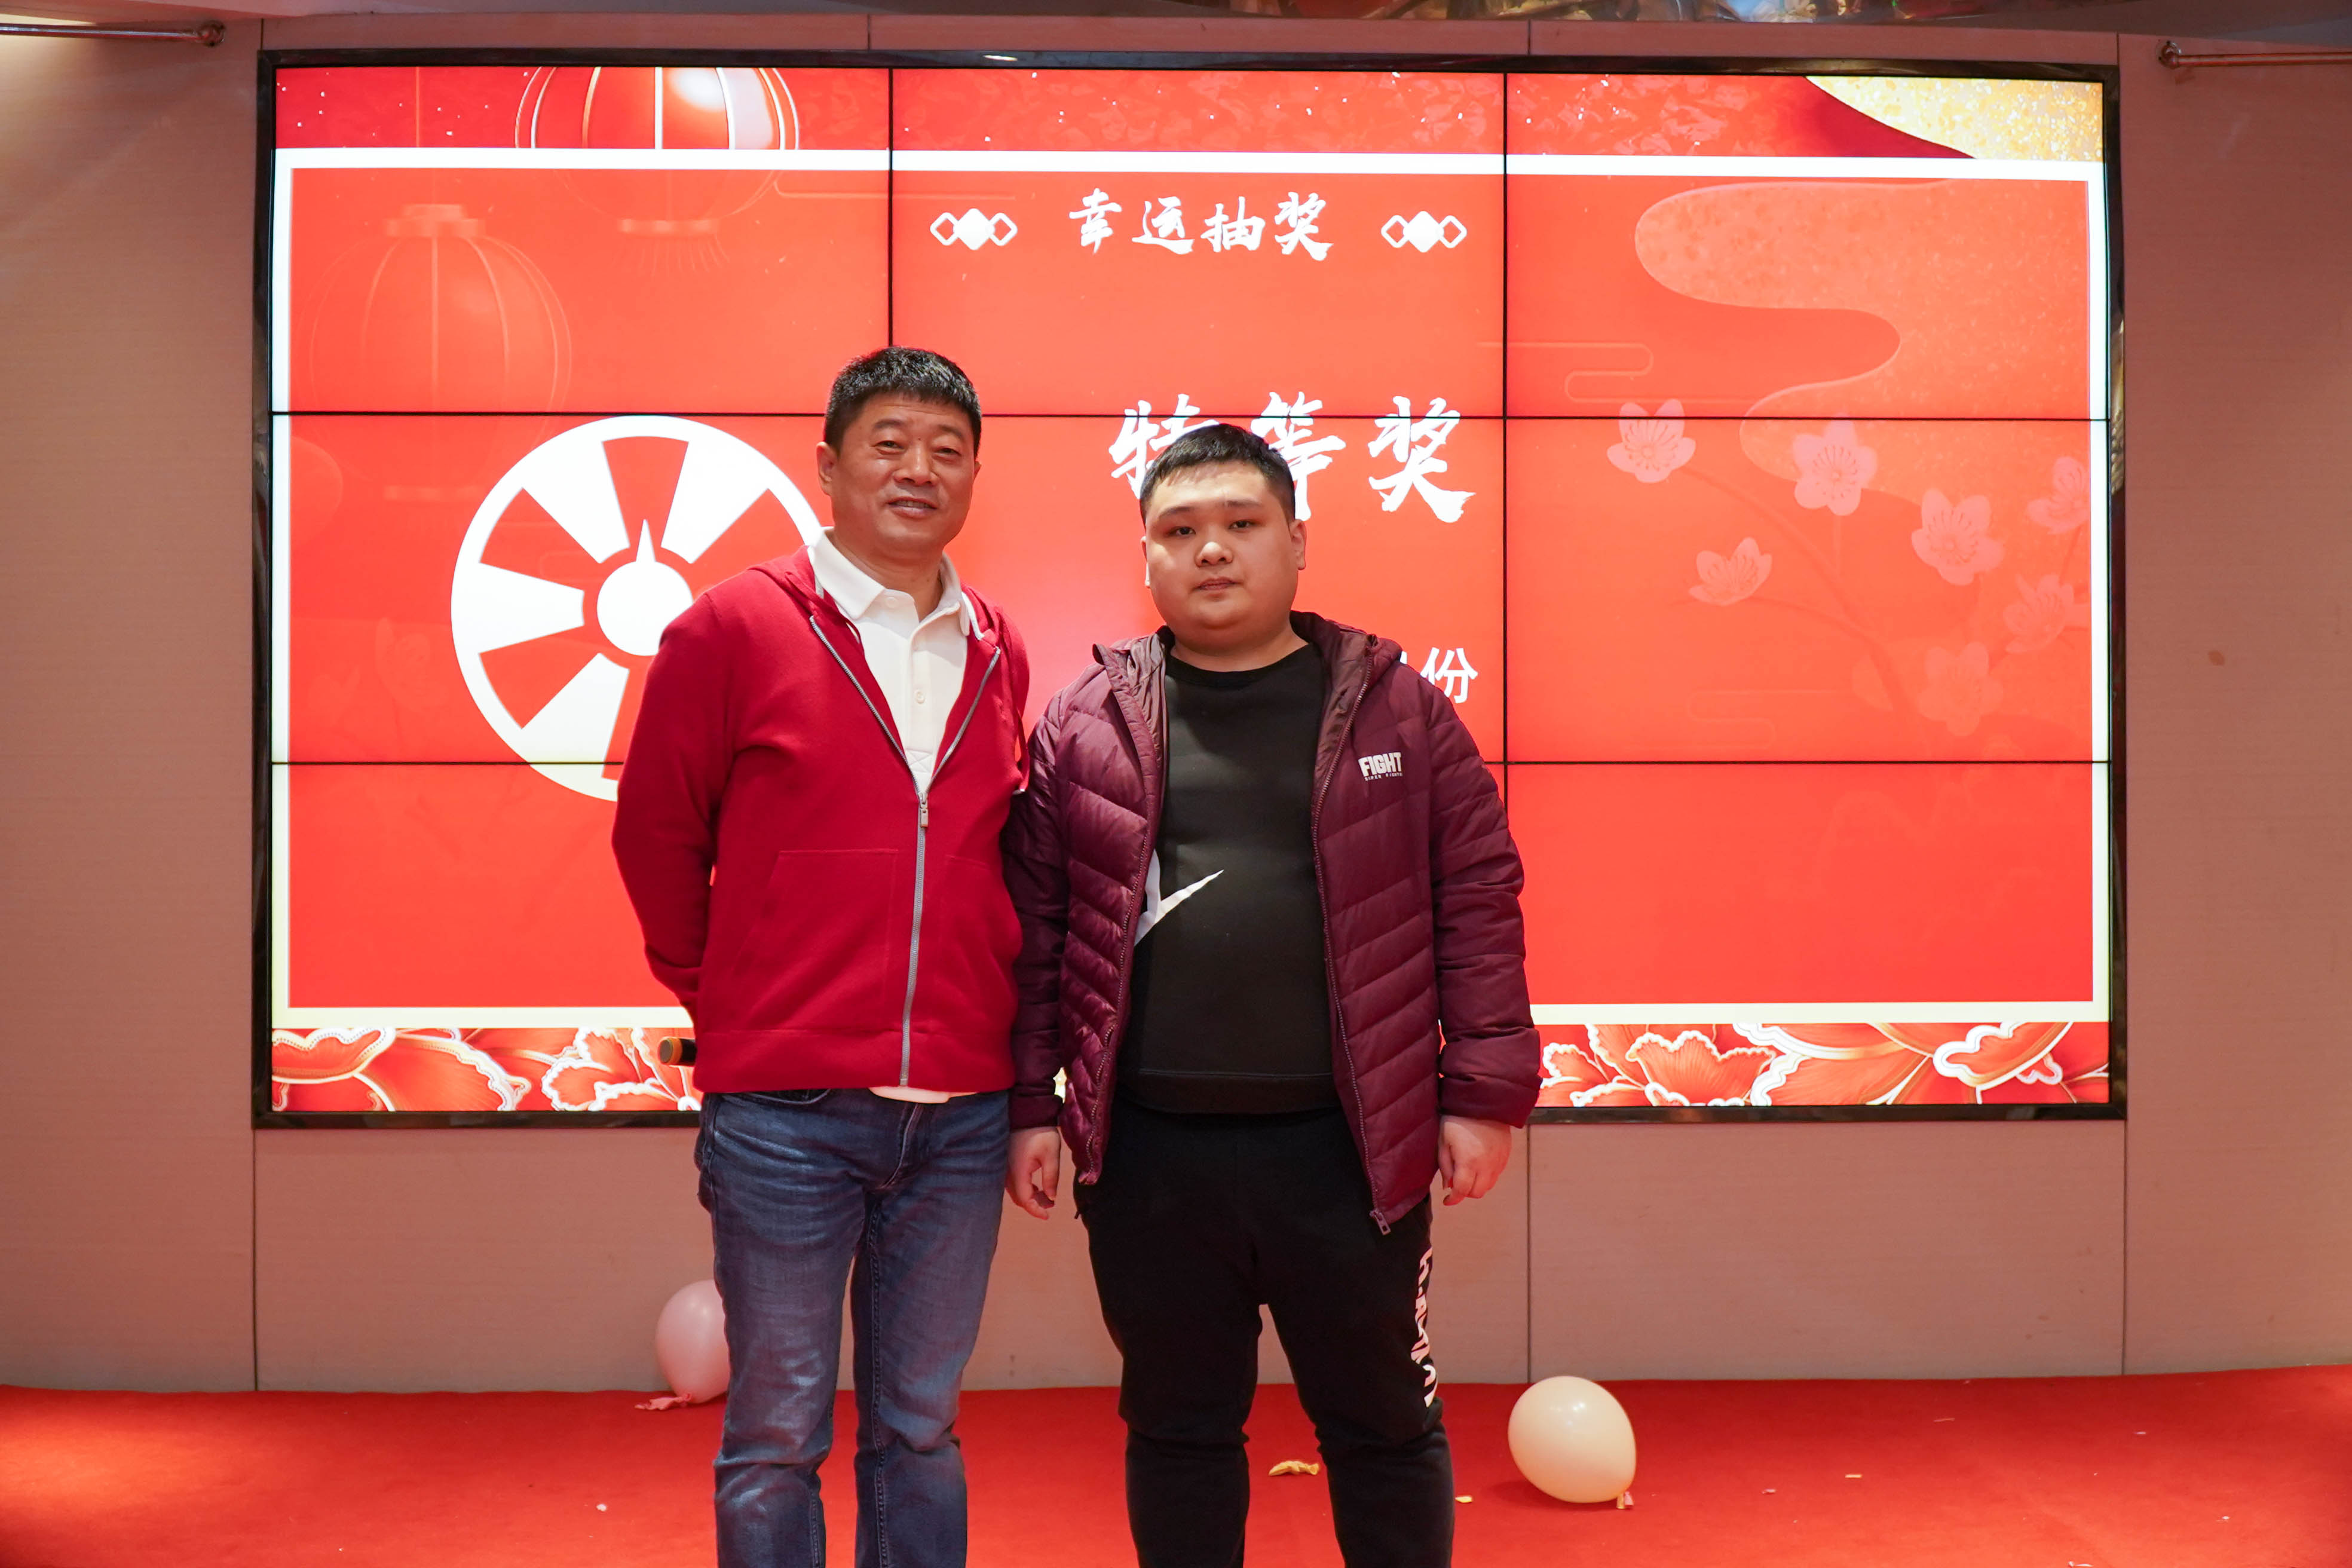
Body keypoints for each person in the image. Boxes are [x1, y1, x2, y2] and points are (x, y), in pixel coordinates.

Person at [1002, 422, 1539, 1568]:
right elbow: (1036, 932)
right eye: (1180, 530)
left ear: (1296, 543)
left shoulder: (1400, 712)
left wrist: (1484, 1092)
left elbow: (1478, 900)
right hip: (1148, 1156)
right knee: (1178, 1429)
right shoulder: (1085, 723)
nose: (1212, 551)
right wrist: (1028, 1109)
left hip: (1349, 1152)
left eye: (1242, 525)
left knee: (1384, 1427)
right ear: (1146, 556)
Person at [612, 347, 1028, 1568]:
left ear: (974, 477)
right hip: (786, 1116)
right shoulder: (732, 626)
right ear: (829, 466)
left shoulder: (995, 642)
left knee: (921, 1429)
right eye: (889, 443)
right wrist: (732, 999)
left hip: (960, 1113)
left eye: (948, 450)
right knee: (776, 1434)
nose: (919, 470)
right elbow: (656, 836)